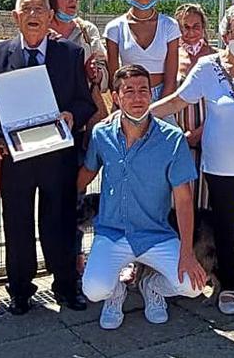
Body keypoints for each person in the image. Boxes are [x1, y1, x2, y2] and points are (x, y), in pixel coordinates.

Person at [150, 4, 234, 323]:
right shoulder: (207, 68)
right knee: (225, 230)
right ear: (225, 35)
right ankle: (228, 286)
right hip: (220, 168)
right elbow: (177, 101)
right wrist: (140, 113)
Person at [0, 0, 97, 315]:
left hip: (57, 157)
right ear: (16, 17)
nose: (33, 15)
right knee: (17, 224)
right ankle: (19, 289)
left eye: (40, 10)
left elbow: (85, 102)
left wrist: (73, 116)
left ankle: (65, 286)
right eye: (26, 9)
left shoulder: (70, 54)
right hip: (15, 159)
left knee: (58, 223)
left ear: (50, 17)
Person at [79, 64, 205, 330]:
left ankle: (151, 286)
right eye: (129, 91)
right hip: (112, 232)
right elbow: (88, 171)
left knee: (192, 286)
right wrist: (59, 193)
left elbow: (183, 201)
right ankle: (115, 294)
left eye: (143, 91)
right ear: (115, 97)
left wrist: (187, 253)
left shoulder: (172, 139)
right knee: (93, 289)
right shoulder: (101, 134)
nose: (137, 98)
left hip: (155, 233)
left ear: (152, 95)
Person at [39, 0, 109, 278]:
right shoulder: (38, 29)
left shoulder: (87, 30)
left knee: (75, 198)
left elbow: (105, 80)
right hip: (42, 128)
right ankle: (54, 264)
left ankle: (76, 264)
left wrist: (96, 73)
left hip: (80, 126)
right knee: (49, 202)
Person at [104, 0, 180, 102]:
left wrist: (159, 109)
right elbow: (114, 78)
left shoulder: (170, 26)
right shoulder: (114, 28)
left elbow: (171, 79)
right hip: (128, 98)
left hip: (162, 96)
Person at [173, 3, 216, 208]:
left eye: (196, 26)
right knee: (181, 195)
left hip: (211, 134)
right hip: (180, 137)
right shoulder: (171, 57)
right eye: (185, 27)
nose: (191, 32)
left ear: (203, 27)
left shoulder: (216, 57)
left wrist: (202, 131)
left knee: (208, 197)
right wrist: (180, 134)